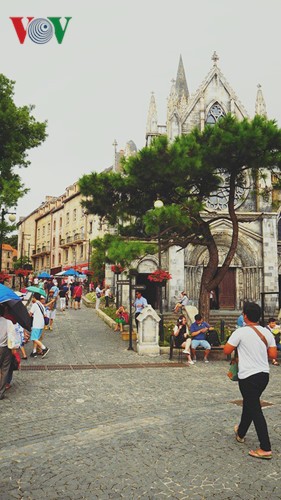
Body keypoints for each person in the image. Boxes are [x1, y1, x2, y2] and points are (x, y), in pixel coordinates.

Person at [224, 302, 276, 460]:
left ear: (245, 316)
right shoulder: (267, 333)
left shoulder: (240, 332)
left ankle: (265, 448)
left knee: (255, 409)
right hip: (263, 375)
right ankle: (240, 433)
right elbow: (273, 354)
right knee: (250, 403)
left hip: (248, 376)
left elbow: (227, 350)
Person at [0, 304, 15, 400]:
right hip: (5, 348)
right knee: (5, 369)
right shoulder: (8, 322)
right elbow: (12, 337)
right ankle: (1, 392)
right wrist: (13, 348)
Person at [29, 293, 50, 358]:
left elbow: (30, 313)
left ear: (34, 297)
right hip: (41, 324)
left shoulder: (35, 305)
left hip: (36, 324)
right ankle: (34, 352)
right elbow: (44, 315)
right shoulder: (41, 305)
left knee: (33, 338)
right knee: (36, 338)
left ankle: (44, 348)